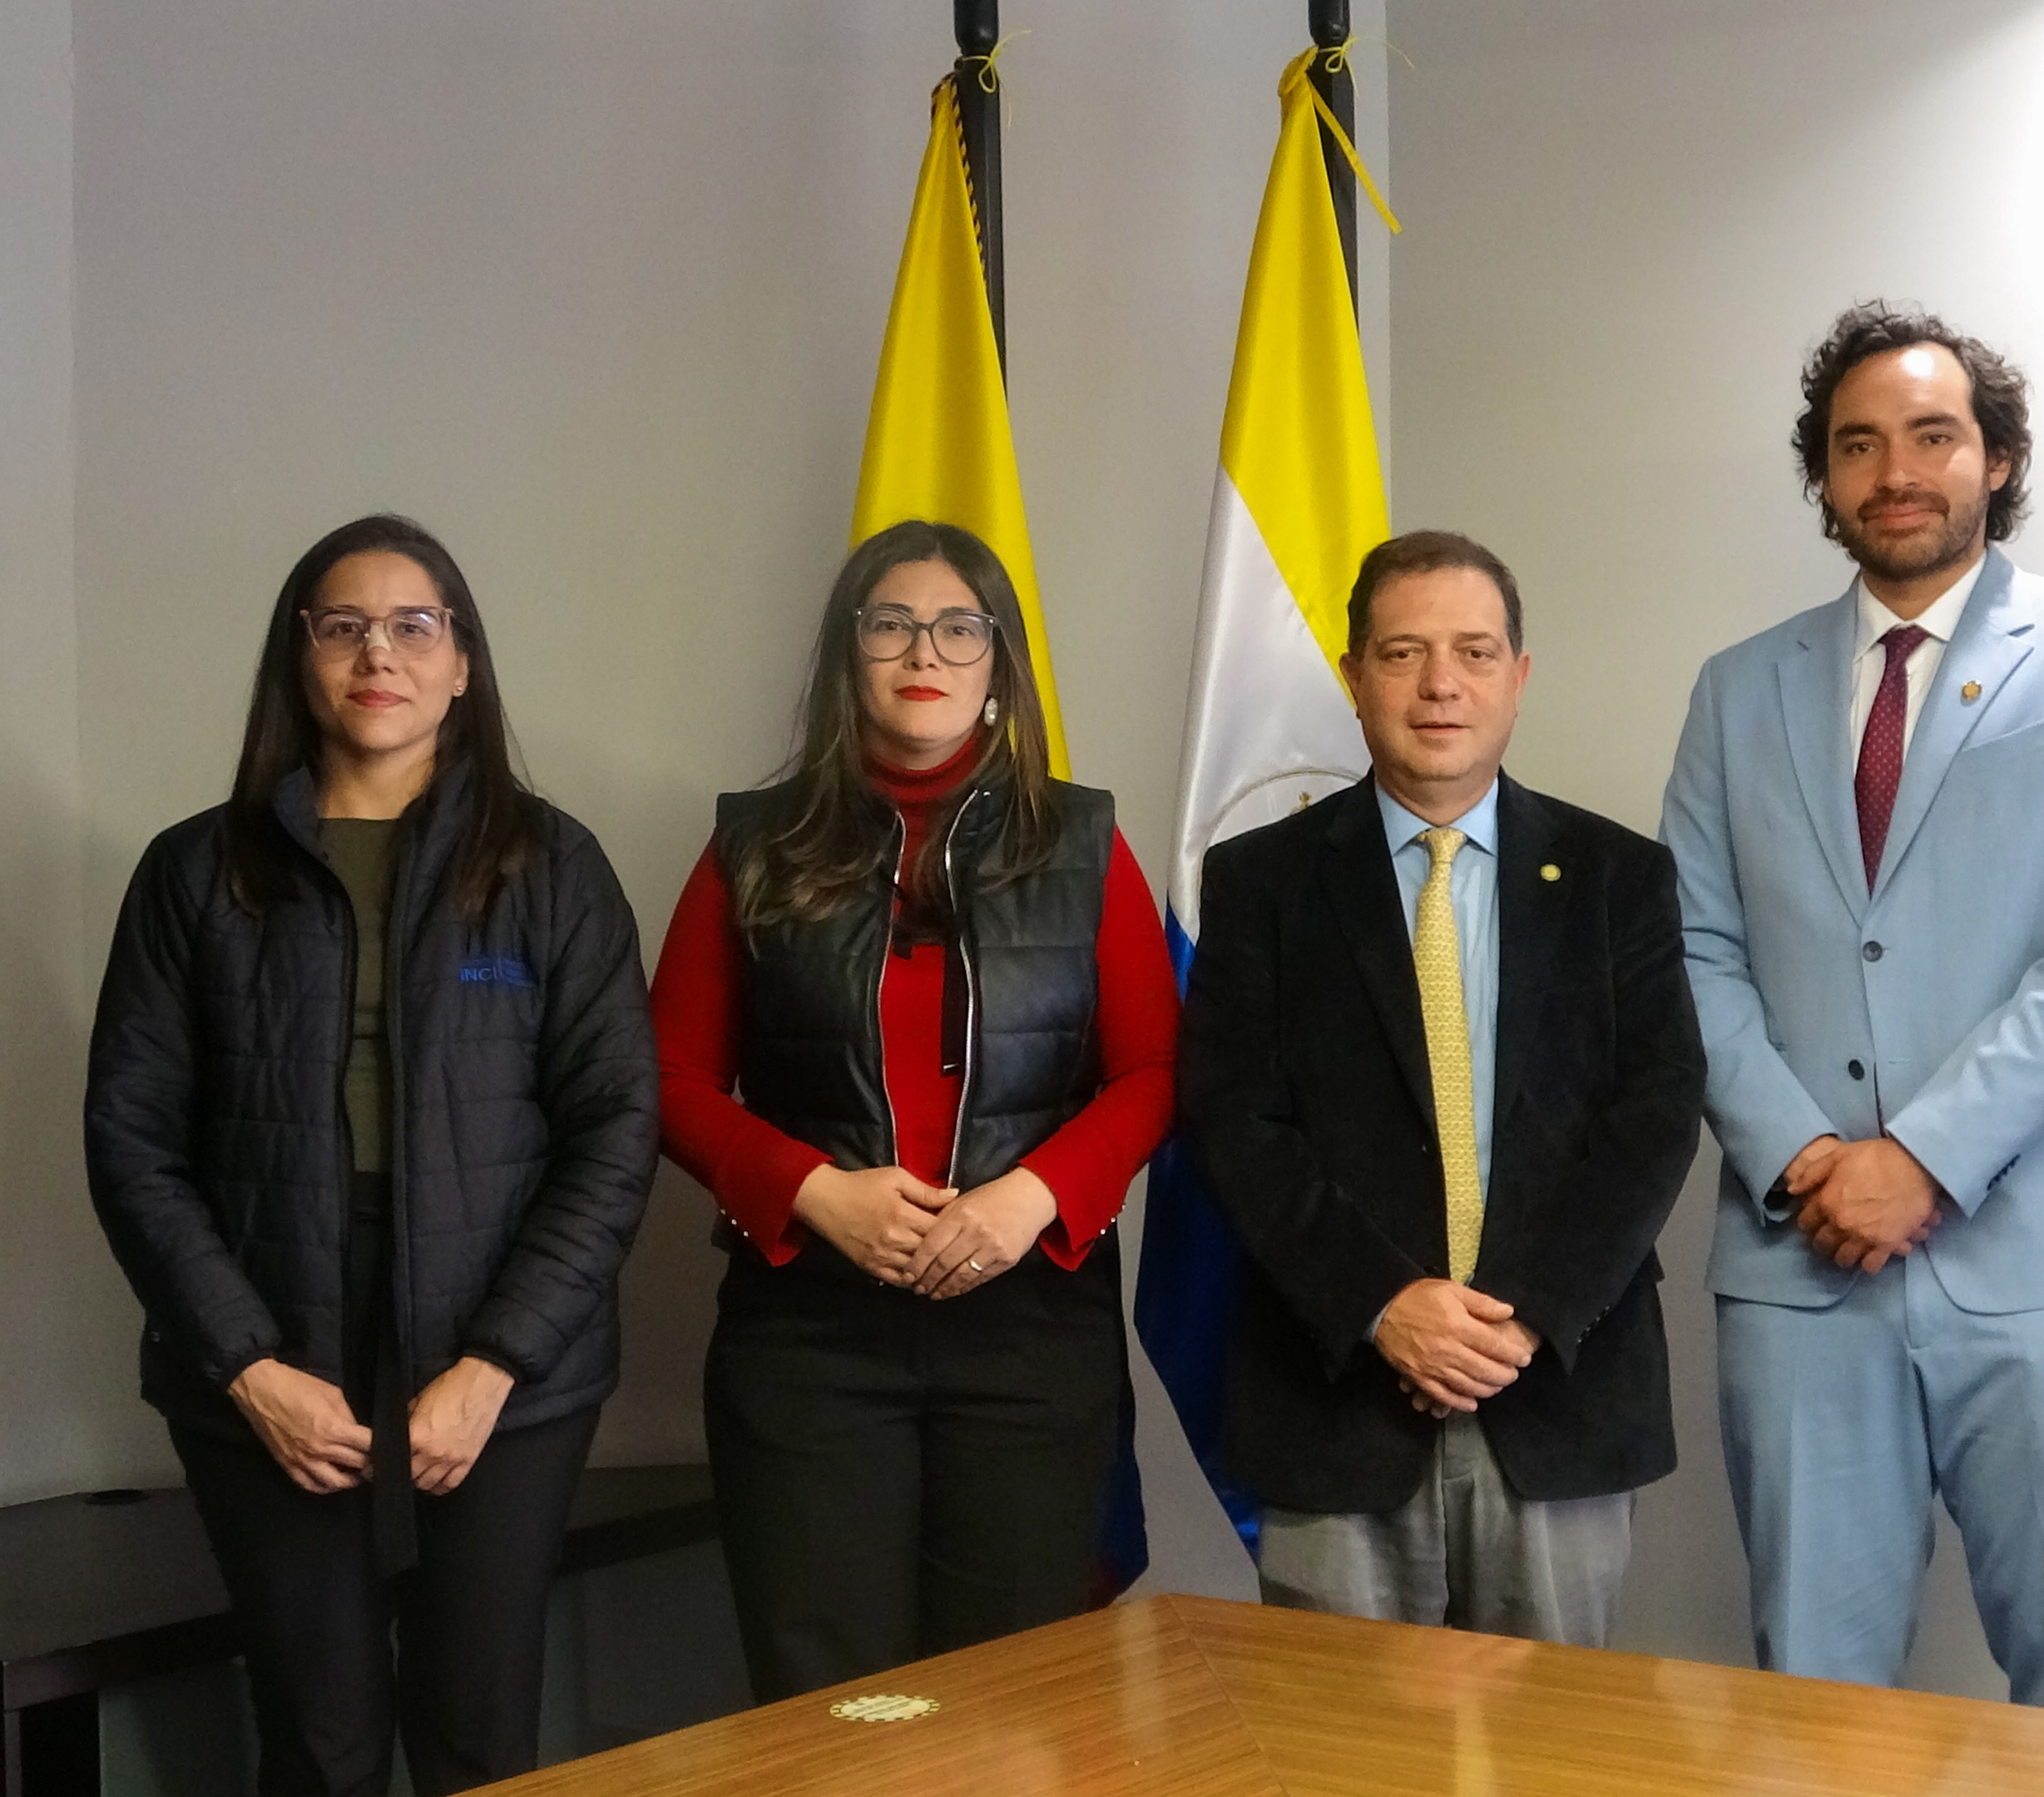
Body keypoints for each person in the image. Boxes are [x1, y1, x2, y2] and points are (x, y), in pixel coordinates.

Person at [1659, 304, 2044, 1714]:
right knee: (1813, 1689)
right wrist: (1807, 1160)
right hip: (1801, 1259)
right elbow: (1693, 952)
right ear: (1824, 480)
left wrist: (1925, 1158)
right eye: (1857, 445)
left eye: (1932, 435)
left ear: (2000, 460)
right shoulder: (1736, 689)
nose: (1895, 469)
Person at [83, 515, 658, 1796]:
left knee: (477, 1740)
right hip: (270, 1328)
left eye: (415, 624)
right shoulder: (195, 873)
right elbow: (132, 1140)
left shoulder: (553, 867)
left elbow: (616, 1129)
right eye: (341, 625)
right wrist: (246, 1365)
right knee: (322, 1742)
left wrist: (498, 1360)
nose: (376, 653)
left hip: (503, 1334)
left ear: (463, 663)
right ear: (300, 659)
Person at [652, 519, 1177, 1699]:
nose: (921, 650)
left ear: (1001, 664)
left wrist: (1028, 1199)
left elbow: (1155, 1072)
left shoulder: (1083, 839)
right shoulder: (753, 843)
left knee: (1011, 1707)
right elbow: (665, 1079)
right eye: (889, 623)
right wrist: (812, 1194)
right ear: (850, 656)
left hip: (1030, 1327)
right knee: (834, 1707)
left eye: (957, 626)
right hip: (812, 1339)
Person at [1178, 530, 1704, 1647]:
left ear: (1520, 676)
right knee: (1344, 1758)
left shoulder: (1620, 877)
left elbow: (1654, 1113)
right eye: (1403, 652)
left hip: (1555, 1387)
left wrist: (1516, 1319)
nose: (1440, 684)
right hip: (1338, 1396)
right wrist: (1385, 1306)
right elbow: (1236, 1121)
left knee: (1549, 1759)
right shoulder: (1259, 882)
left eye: (1473, 651)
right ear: (1353, 677)